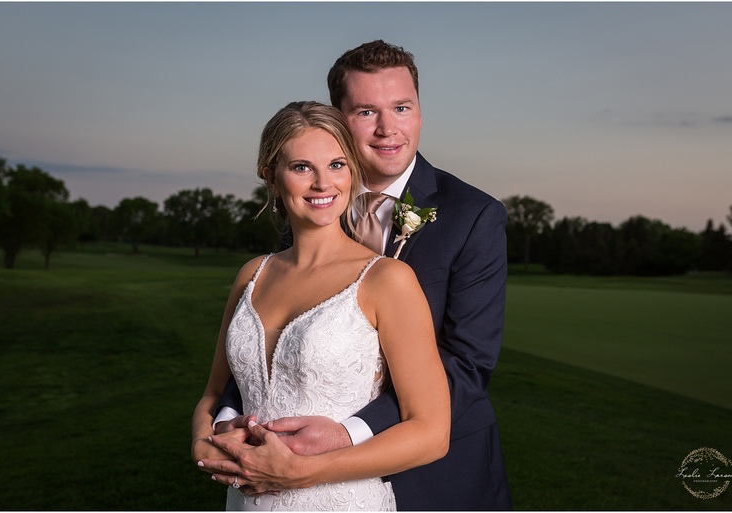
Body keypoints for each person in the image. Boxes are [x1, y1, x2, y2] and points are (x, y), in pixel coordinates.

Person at [199, 40, 512, 510]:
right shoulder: (311, 204)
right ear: (338, 119)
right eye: (367, 111)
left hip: (436, 477)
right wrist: (227, 421)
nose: (388, 129)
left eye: (402, 107)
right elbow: (266, 345)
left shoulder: (473, 215)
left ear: (420, 111)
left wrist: (348, 432)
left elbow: (466, 364)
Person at [191, 100, 451, 511]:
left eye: (336, 165)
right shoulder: (252, 274)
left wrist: (302, 472)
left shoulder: (387, 280)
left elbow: (431, 434)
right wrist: (202, 442)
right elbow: (213, 393)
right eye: (301, 167)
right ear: (271, 176)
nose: (322, 183)